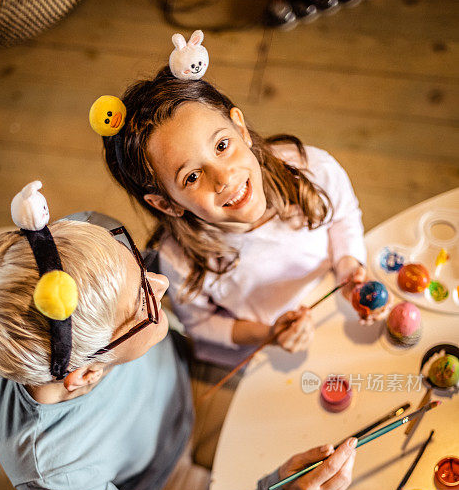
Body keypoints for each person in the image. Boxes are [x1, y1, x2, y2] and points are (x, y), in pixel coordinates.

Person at [0, 191, 357, 490]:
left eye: (137, 266)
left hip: (190, 380)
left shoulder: (84, 242)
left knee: (329, 432)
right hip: (160, 486)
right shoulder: (50, 466)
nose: (161, 282)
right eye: (143, 302)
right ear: (85, 374)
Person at [99, 66, 377, 368]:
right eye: (192, 177)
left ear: (240, 130)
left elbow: (344, 216)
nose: (223, 179)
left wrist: (348, 263)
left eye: (221, 146)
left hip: (338, 303)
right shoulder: (180, 260)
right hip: (271, 352)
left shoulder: (314, 171)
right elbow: (202, 324)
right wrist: (268, 333)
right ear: (166, 204)